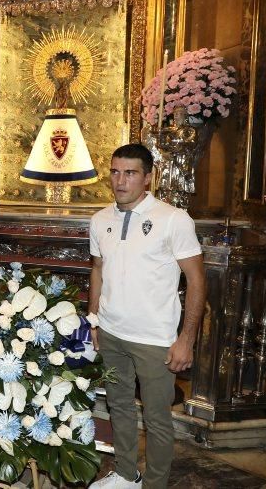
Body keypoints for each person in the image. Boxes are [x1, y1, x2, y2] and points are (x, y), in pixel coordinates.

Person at [88, 144, 205, 489]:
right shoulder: (100, 219)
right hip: (111, 333)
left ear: (148, 177)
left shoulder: (173, 219)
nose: (120, 180)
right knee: (119, 407)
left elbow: (197, 280)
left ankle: (155, 484)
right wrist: (94, 319)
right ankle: (127, 474)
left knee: (157, 420)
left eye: (130, 173)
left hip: (155, 339)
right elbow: (97, 270)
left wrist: (186, 339)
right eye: (115, 171)